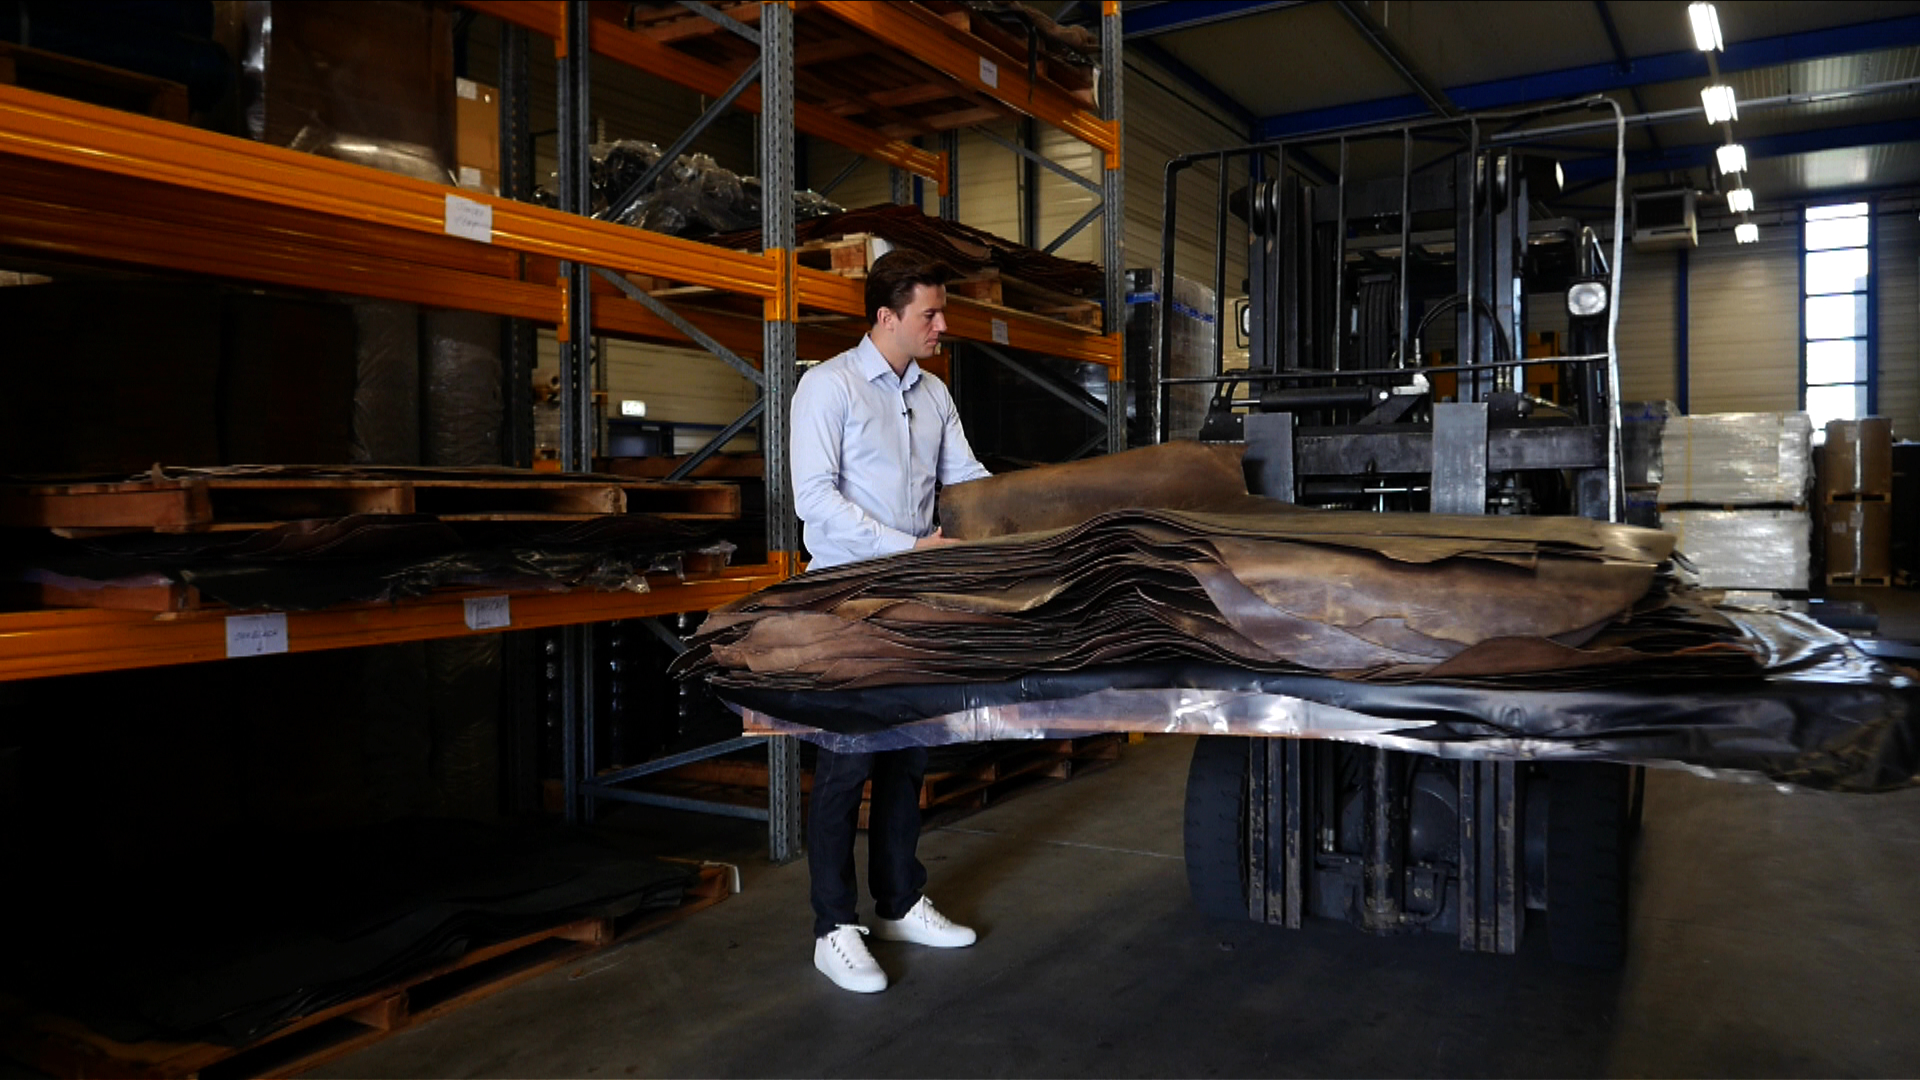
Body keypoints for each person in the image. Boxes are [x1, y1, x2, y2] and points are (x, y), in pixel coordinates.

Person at [788, 248, 992, 994]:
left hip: (916, 595)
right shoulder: (828, 386)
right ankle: (832, 928)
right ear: (886, 316)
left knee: (908, 753)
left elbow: (967, 480)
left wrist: (1031, 515)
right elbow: (815, 500)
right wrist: (907, 548)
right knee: (847, 760)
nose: (942, 326)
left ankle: (899, 902)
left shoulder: (933, 394)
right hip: (847, 596)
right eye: (929, 315)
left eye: (941, 313)